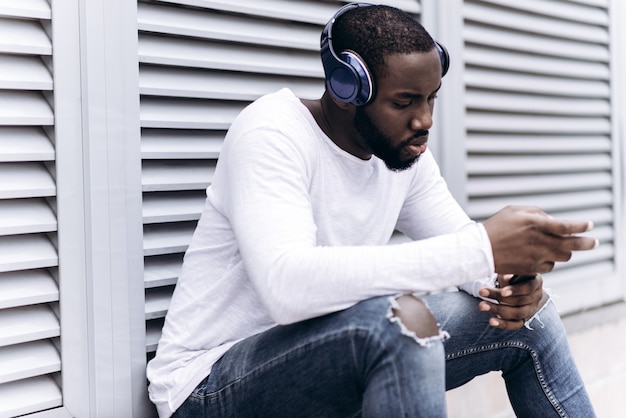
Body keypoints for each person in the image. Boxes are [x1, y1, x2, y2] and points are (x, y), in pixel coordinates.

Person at [147, 3, 599, 417]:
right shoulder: (272, 132)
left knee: (529, 319)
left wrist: (506, 284)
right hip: (210, 388)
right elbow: (287, 285)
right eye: (404, 102)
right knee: (401, 323)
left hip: (330, 355)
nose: (425, 120)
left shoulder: (401, 154)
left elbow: (464, 257)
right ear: (347, 89)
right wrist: (481, 248)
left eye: (431, 98)